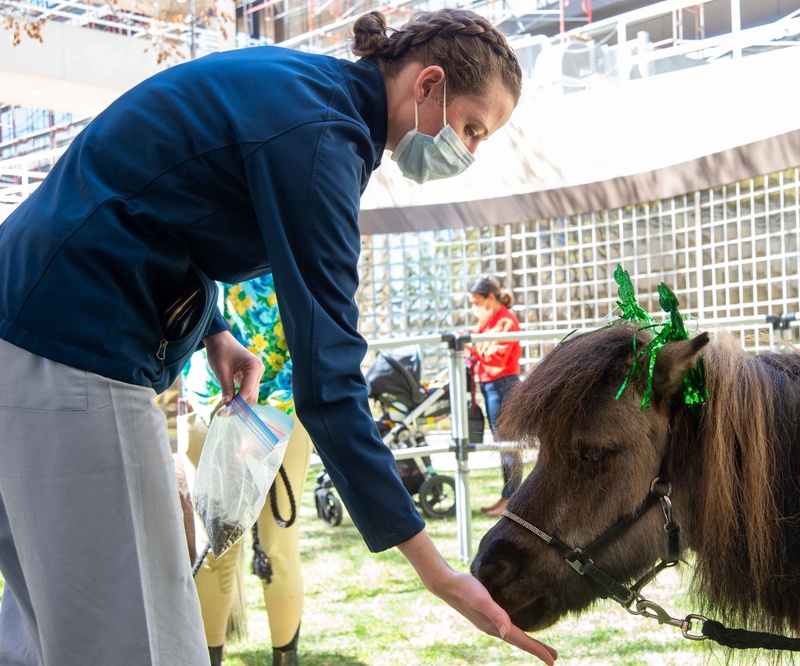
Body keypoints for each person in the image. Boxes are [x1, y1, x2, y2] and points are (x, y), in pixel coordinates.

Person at [0, 8, 557, 666]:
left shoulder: (302, 91)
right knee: (138, 642)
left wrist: (214, 331)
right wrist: (437, 571)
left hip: (30, 335)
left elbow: (154, 202)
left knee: (45, 635)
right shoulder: (324, 137)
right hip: (74, 350)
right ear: (428, 84)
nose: (467, 150)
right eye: (471, 129)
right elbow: (330, 382)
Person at [180, 276, 309, 666]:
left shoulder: (195, 223)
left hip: (213, 400)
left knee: (218, 548)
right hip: (271, 409)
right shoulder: (299, 229)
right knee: (276, 547)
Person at [467, 278, 524, 517]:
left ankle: (512, 499)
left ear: (490, 298)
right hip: (491, 387)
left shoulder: (506, 321)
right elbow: (479, 342)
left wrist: (474, 347)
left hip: (503, 386)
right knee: (502, 443)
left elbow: (496, 356)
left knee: (508, 444)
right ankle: (506, 496)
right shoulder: (490, 320)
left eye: (476, 302)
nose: (474, 307)